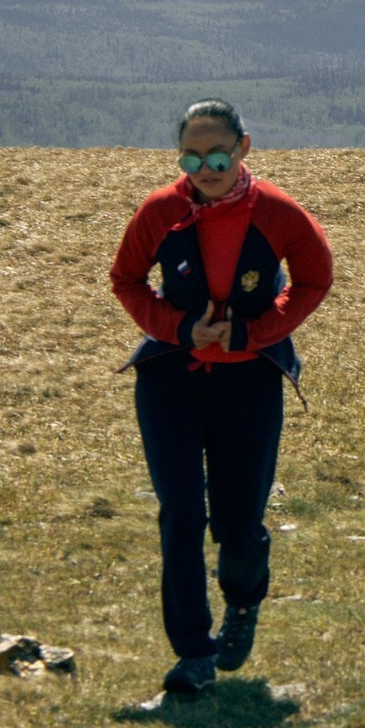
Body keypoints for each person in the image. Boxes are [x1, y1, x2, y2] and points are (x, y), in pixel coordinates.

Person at [109, 100, 333, 697]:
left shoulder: (280, 212)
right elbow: (126, 278)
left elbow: (314, 279)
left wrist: (254, 334)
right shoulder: (160, 210)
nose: (204, 170)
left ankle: (243, 599)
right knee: (181, 511)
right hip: (170, 378)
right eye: (190, 158)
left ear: (243, 148)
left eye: (216, 156)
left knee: (239, 520)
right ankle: (193, 653)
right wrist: (179, 328)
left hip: (249, 382)